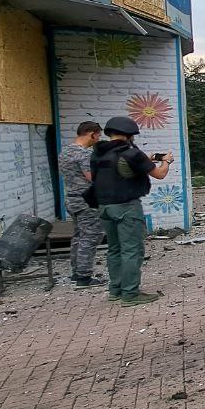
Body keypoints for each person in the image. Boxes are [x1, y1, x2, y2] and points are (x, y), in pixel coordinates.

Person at [91, 116, 174, 305]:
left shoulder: (98, 154)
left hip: (104, 208)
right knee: (131, 251)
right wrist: (166, 161)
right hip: (126, 208)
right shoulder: (132, 154)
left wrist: (148, 158)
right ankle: (130, 294)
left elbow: (114, 170)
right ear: (130, 135)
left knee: (114, 250)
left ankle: (116, 290)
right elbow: (159, 174)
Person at [58, 120, 105, 287]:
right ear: (91, 133)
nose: (98, 139)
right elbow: (92, 177)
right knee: (91, 236)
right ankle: (84, 277)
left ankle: (76, 272)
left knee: (79, 236)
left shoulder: (65, 152)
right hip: (86, 201)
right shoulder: (84, 154)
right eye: (98, 135)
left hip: (71, 199)